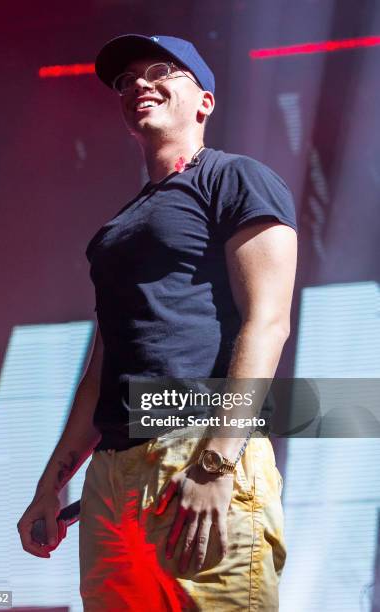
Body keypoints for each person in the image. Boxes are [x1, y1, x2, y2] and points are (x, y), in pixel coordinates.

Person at [17, 34, 297, 611]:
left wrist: (219, 460)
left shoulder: (236, 179)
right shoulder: (119, 227)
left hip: (198, 451)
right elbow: (103, 365)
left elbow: (267, 322)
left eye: (161, 71)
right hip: (113, 476)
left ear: (205, 102)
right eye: (126, 81)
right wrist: (51, 484)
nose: (138, 84)